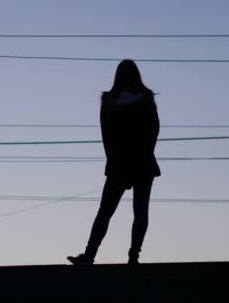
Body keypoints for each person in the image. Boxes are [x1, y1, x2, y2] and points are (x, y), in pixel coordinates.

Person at [67, 59, 160, 265]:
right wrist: (116, 159)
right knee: (110, 211)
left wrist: (135, 155)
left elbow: (152, 130)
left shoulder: (139, 98)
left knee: (134, 212)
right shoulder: (112, 100)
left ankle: (130, 256)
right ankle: (92, 255)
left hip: (138, 162)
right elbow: (107, 135)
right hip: (124, 163)